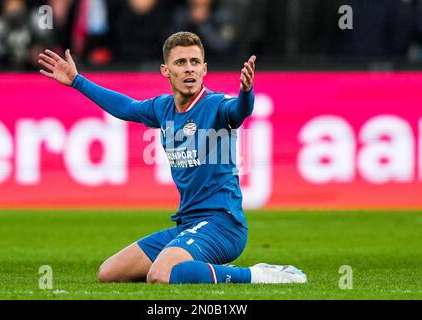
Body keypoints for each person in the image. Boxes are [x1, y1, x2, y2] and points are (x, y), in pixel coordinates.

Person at [38, 31, 307, 284]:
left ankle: (258, 275)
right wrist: (77, 81)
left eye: (195, 61)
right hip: (188, 224)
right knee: (109, 273)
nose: (189, 68)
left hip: (223, 224)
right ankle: (197, 268)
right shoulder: (162, 108)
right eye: (180, 62)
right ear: (166, 71)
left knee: (162, 274)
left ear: (204, 69)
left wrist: (246, 92)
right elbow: (126, 107)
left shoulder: (216, 105)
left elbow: (239, 111)